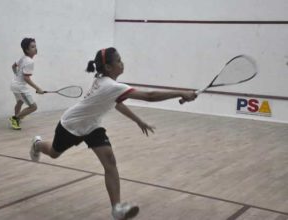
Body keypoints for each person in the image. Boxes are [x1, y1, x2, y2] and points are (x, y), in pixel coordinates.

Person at [30, 47, 197, 220]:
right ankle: (37, 144)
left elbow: (117, 103)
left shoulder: (105, 81)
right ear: (108, 67)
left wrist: (138, 120)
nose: (122, 62)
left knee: (110, 161)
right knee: (53, 153)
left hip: (92, 126)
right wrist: (180, 92)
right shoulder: (110, 85)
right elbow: (149, 96)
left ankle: (117, 209)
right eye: (118, 60)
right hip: (71, 125)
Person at [9, 38, 44, 130]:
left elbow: (13, 66)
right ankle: (15, 119)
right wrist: (38, 88)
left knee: (20, 102)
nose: (35, 48)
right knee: (33, 107)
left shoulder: (22, 57)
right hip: (20, 87)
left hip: (14, 85)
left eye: (35, 46)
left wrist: (16, 75)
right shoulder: (30, 61)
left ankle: (17, 117)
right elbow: (26, 78)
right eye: (32, 47)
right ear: (27, 50)